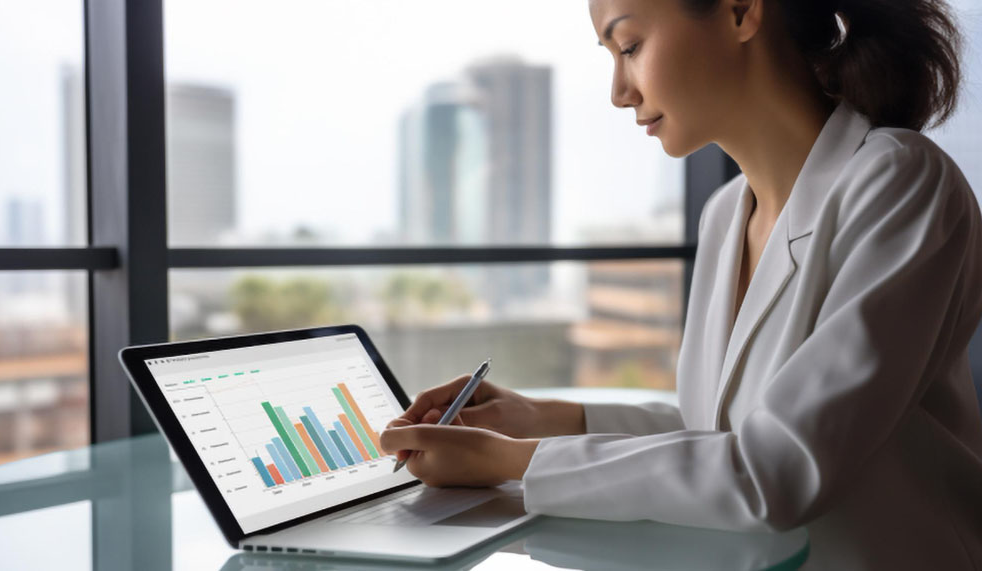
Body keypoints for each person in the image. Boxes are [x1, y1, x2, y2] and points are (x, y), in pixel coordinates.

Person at [379, 0, 982, 568]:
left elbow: (775, 472)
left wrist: (509, 462)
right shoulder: (726, 214)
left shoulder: (900, 183)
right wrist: (539, 418)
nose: (619, 93)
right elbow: (716, 436)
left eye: (631, 45)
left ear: (742, 10)